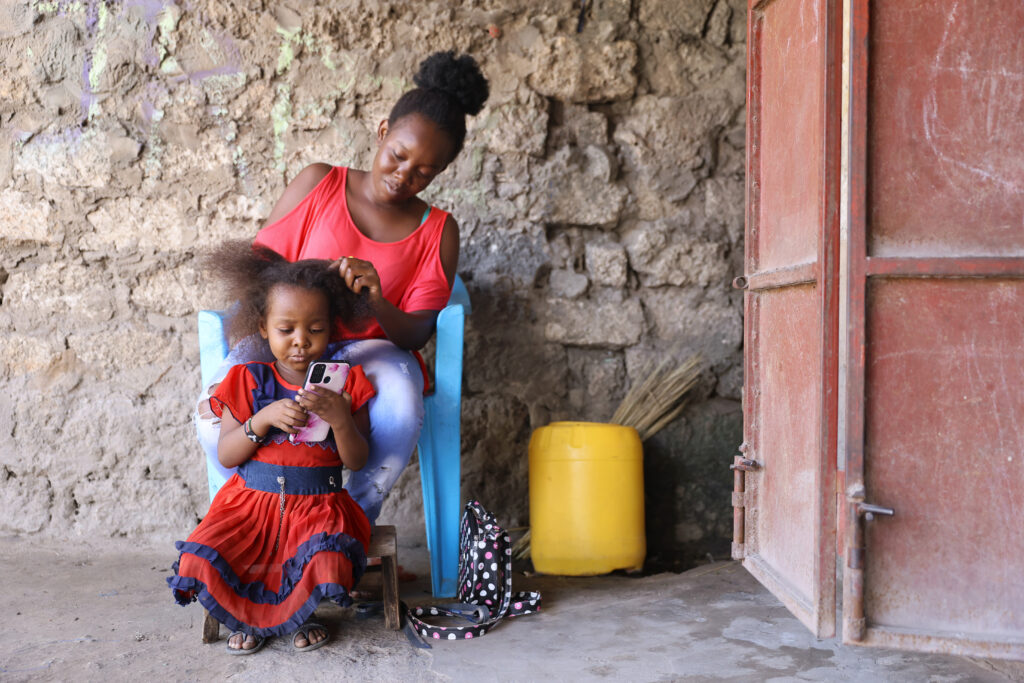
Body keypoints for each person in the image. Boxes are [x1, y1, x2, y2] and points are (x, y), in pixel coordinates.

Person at [196, 50, 489, 526]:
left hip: (369, 352)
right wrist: (307, 284)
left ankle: (351, 523)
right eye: (398, 155)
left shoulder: (438, 230)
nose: (404, 175)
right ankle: (255, 516)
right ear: (382, 132)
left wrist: (376, 300)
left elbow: (417, 334)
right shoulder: (319, 184)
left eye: (424, 171)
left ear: (441, 171)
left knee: (401, 405)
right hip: (289, 340)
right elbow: (259, 275)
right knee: (215, 410)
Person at [171, 245, 375, 654]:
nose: (301, 341)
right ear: (263, 328)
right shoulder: (246, 380)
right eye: (286, 329)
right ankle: (248, 620)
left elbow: (357, 461)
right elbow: (227, 456)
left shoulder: (347, 384)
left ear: (331, 329)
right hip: (250, 502)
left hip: (318, 505)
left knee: (324, 556)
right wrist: (261, 420)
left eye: (315, 329)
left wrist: (340, 419)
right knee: (205, 555)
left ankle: (305, 615)